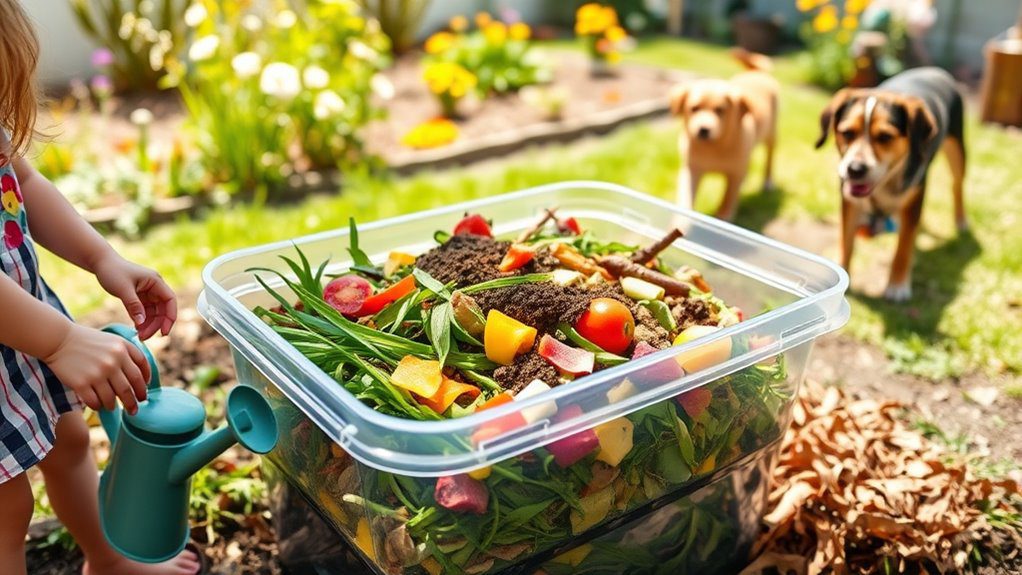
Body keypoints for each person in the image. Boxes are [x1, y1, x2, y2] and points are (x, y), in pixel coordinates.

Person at [0, 1, 198, 573]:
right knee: (6, 507)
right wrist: (61, 341)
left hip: (24, 326)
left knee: (70, 442)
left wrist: (101, 257)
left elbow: (22, 182)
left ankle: (107, 559)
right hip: (34, 333)